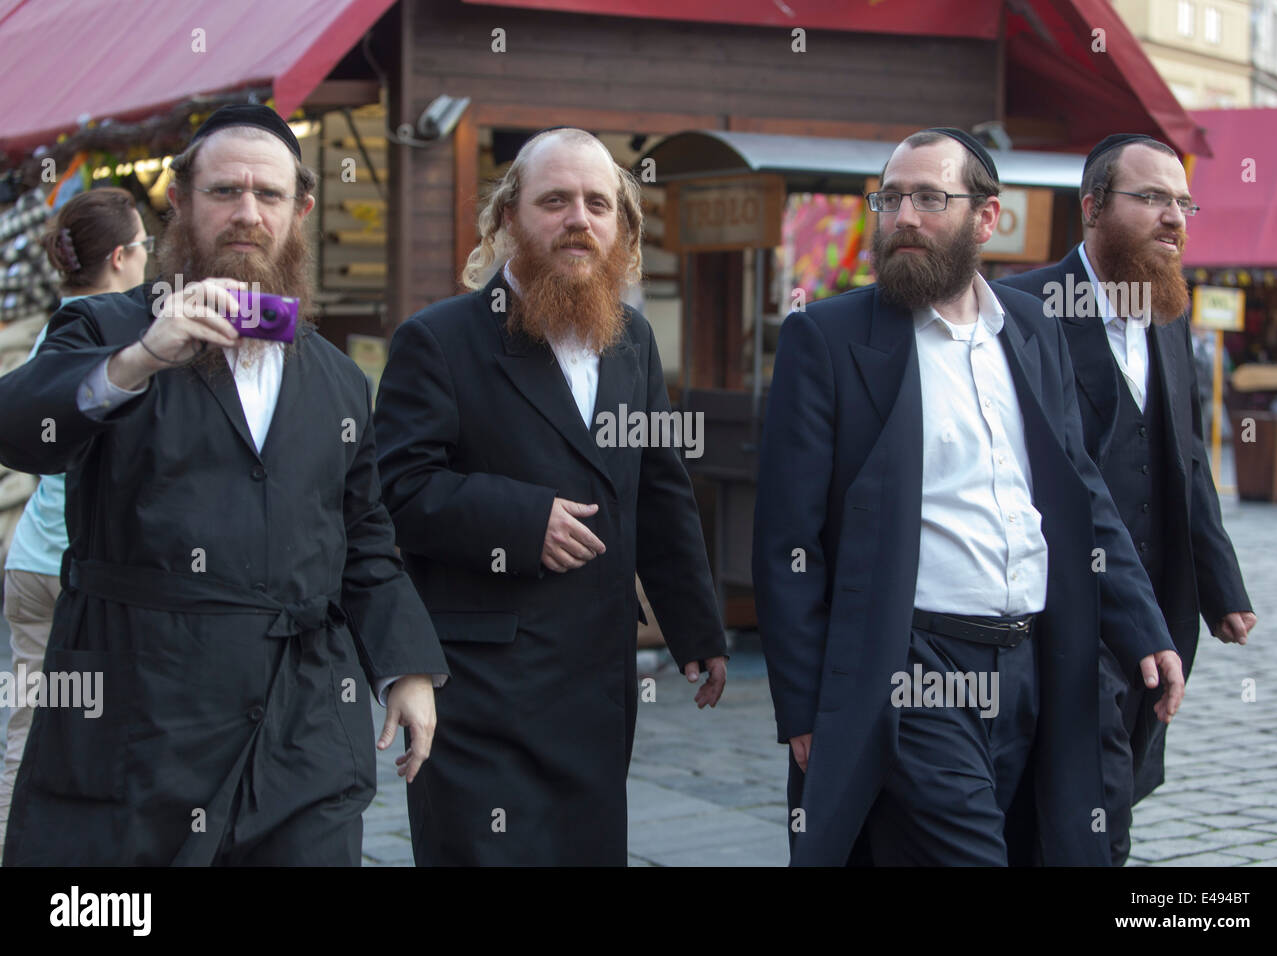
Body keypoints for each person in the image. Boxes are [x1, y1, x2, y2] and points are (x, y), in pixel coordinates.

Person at [0, 104, 446, 866]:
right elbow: (19, 429)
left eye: (269, 194)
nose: (248, 213)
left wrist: (404, 666)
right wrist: (142, 357)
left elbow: (364, 536)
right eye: (225, 191)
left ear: (300, 211)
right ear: (179, 201)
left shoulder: (337, 378)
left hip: (300, 728)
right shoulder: (106, 329)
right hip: (141, 723)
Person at [753, 128, 1185, 867]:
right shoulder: (826, 338)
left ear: (985, 219)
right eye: (890, 198)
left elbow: (1081, 492)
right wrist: (803, 704)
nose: (903, 217)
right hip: (915, 669)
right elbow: (786, 538)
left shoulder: (1032, 327)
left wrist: (1145, 627)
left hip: (1038, 662)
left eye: (929, 198)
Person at [373, 127, 727, 865]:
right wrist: (522, 519)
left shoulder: (631, 339)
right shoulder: (437, 339)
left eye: (598, 204)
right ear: (508, 217)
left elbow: (659, 489)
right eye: (555, 201)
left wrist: (697, 627)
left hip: (596, 682)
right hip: (479, 690)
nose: (579, 220)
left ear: (622, 227)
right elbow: (397, 489)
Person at [996, 133, 1254, 865]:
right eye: (1152, 198)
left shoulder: (1168, 315)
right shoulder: (1022, 307)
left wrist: (1220, 585)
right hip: (1059, 612)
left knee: (1112, 788)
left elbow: (1187, 460)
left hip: (1158, 610)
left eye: (1183, 203)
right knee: (1092, 808)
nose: (1174, 217)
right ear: (1092, 208)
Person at [0, 187, 148, 858]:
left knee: (33, 724)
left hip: (31, 562)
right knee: (76, 730)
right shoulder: (113, 339)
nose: (148, 259)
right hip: (77, 573)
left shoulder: (52, 333)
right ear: (119, 257)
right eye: (143, 246)